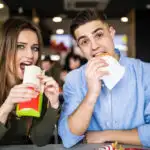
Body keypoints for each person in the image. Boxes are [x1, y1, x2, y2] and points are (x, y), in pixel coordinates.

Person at [58, 9, 150, 148]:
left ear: (111, 33)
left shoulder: (145, 72)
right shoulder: (74, 79)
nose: (94, 46)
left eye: (99, 35)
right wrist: (92, 93)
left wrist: (105, 135)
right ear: (80, 48)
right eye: (84, 42)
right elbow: (67, 137)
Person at [0, 18, 60, 146]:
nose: (30, 55)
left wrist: (53, 105)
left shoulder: (37, 87)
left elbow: (40, 141)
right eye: (20, 46)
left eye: (35, 48)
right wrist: (6, 107)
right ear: (5, 48)